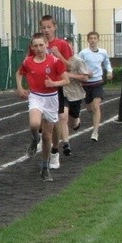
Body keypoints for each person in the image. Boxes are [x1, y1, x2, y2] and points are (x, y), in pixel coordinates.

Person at [16, 32, 69, 182]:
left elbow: (66, 80)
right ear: (32, 47)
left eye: (41, 45)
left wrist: (54, 84)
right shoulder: (28, 62)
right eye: (35, 45)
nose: (39, 48)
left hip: (51, 99)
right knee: (34, 124)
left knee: (47, 137)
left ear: (47, 45)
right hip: (36, 97)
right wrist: (20, 87)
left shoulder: (55, 61)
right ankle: (34, 139)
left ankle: (45, 167)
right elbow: (19, 73)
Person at [38, 15, 74, 167]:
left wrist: (58, 55)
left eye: (49, 27)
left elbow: (70, 67)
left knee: (55, 120)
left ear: (55, 27)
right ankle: (40, 137)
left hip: (56, 86)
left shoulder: (62, 44)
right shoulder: (37, 44)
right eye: (43, 27)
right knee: (38, 116)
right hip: (40, 87)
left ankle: (55, 152)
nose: (46, 30)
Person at [77, 31, 113, 141]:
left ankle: (95, 132)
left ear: (98, 40)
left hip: (98, 82)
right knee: (90, 108)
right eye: (91, 38)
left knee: (96, 106)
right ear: (88, 40)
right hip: (86, 84)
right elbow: (77, 65)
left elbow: (106, 62)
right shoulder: (83, 53)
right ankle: (90, 110)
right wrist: (85, 72)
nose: (93, 40)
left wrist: (109, 71)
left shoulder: (103, 52)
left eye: (95, 38)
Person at [62, 53, 90, 152]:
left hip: (75, 94)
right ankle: (66, 144)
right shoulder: (57, 59)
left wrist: (70, 75)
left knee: (73, 124)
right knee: (63, 116)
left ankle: (76, 121)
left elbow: (86, 77)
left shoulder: (78, 61)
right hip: (62, 93)